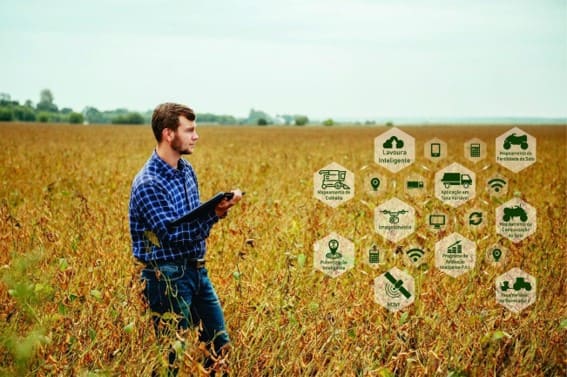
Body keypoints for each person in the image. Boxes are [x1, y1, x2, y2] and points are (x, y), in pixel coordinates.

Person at [129, 102, 242, 375]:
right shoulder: (148, 184)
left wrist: (214, 210)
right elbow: (172, 236)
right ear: (169, 134)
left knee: (219, 346)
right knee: (172, 357)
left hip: (196, 271)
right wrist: (214, 214)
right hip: (166, 277)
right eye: (189, 130)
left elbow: (191, 219)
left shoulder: (187, 170)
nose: (196, 136)